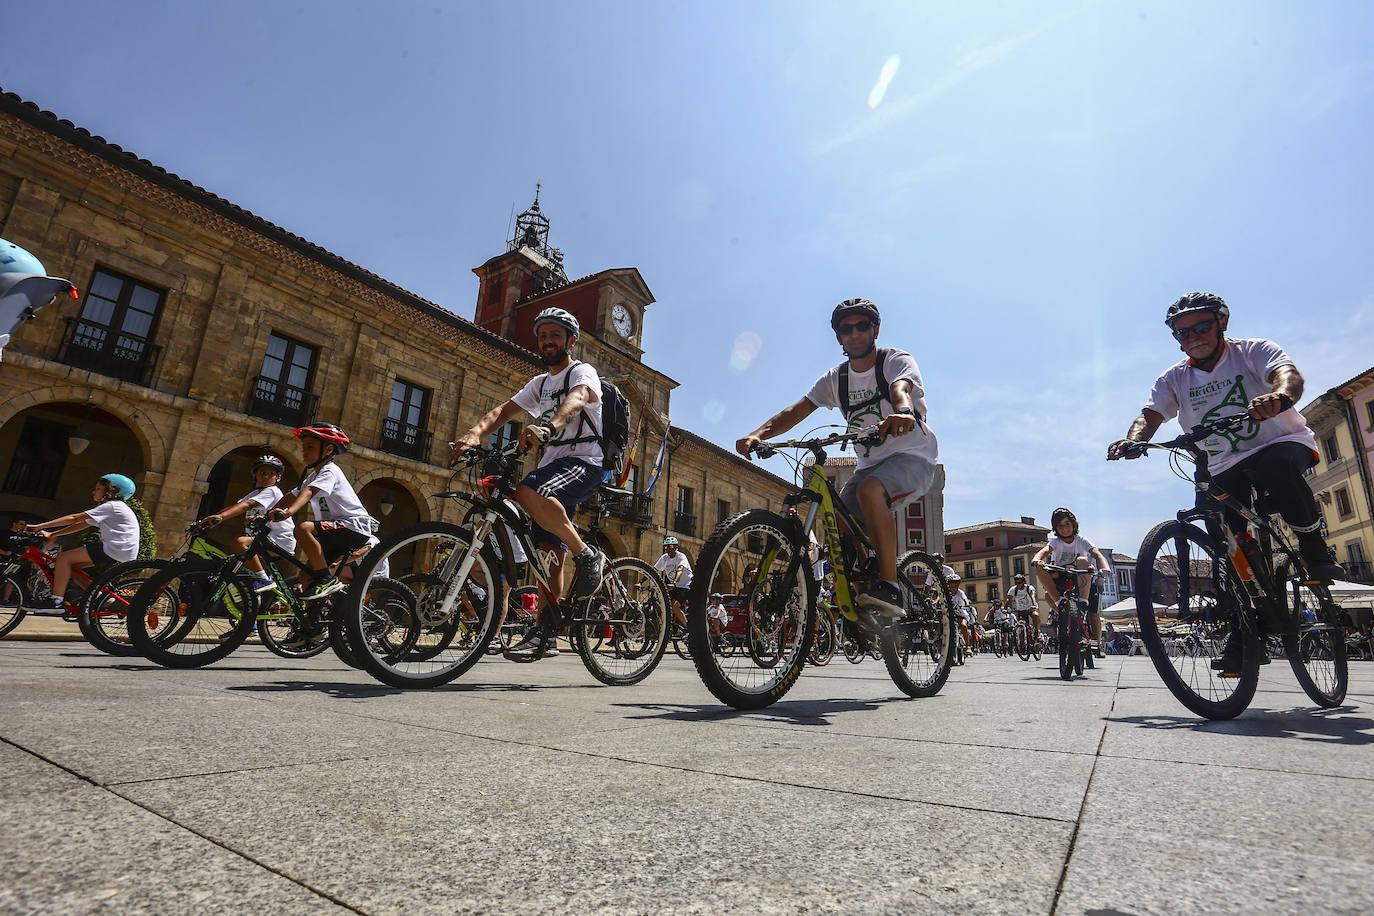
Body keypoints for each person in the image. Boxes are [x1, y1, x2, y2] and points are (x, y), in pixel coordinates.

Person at [1107, 291, 1343, 675]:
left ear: (1222, 324)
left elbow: (1288, 376)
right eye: (1183, 333)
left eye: (1202, 326)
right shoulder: (1174, 378)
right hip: (1221, 464)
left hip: (1279, 442)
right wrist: (1134, 439)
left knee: (1276, 469)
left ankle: (1316, 551)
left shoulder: (1252, 351)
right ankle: (1246, 633)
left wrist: (1279, 397)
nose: (1193, 336)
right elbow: (1150, 415)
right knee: (1227, 546)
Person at [736, 298, 939, 622]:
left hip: (913, 458)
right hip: (870, 466)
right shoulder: (836, 380)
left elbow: (901, 388)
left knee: (869, 491)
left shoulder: (894, 361)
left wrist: (902, 411)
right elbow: (797, 410)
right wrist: (758, 434)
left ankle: (889, 583)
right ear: (838, 337)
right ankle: (864, 601)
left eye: (862, 326)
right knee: (838, 520)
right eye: (847, 328)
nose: (855, 333)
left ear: (875, 330)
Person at [450, 306, 608, 661]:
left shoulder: (582, 372)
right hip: (554, 467)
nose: (547, 341)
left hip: (584, 460)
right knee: (547, 556)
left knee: (528, 490)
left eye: (555, 335)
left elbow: (578, 400)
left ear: (571, 340)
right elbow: (503, 412)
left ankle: (588, 555)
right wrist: (474, 434)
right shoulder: (539, 384)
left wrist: (550, 426)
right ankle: (547, 632)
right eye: (542, 336)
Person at [267, 424, 372, 602]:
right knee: (306, 577)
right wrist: (267, 514)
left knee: (303, 528)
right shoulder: (313, 475)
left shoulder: (330, 470)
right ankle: (312, 627)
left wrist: (287, 513)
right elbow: (292, 495)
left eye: (310, 447)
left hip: (353, 526)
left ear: (328, 449)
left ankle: (327, 579)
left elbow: (308, 492)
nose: (304, 451)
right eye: (303, 447)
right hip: (335, 532)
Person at [24, 474, 139, 612]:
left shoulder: (112, 506)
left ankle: (55, 602)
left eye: (98, 488)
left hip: (116, 547)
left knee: (63, 558)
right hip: (120, 549)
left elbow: (75, 518)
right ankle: (102, 598)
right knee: (71, 568)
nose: (93, 491)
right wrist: (53, 534)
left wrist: (39, 526)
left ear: (110, 491)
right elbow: (82, 524)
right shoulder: (114, 507)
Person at [196, 454, 295, 593]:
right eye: (262, 473)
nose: (266, 476)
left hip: (279, 539)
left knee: (239, 543)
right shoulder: (256, 493)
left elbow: (247, 505)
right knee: (234, 565)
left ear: (278, 477)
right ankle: (258, 599)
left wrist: (222, 518)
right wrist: (212, 518)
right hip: (264, 539)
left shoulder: (272, 491)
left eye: (271, 474)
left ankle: (264, 580)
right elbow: (236, 506)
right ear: (255, 475)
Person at [1033, 507, 1110, 658]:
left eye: (1067, 524)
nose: (1064, 528)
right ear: (1056, 528)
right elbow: (1044, 551)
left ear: (1074, 524)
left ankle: (1098, 643)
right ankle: (1063, 606)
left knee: (1094, 614)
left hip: (1084, 579)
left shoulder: (1082, 541)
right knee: (1046, 585)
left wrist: (1105, 568)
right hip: (1064, 578)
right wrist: (1037, 559)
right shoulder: (1056, 543)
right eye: (1060, 526)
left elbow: (1097, 554)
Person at [654, 535, 693, 629]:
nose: (668, 549)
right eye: (666, 547)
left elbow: (680, 570)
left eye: (670, 547)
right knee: (661, 604)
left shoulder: (681, 556)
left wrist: (675, 582)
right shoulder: (664, 558)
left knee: (674, 606)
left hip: (685, 586)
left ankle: (688, 628)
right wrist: (640, 581)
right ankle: (668, 626)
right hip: (674, 586)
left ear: (676, 547)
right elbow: (654, 570)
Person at [1008, 572, 1039, 642]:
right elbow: (1008, 599)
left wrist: (1034, 605)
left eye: (1019, 582)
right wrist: (1004, 608)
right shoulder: (1013, 589)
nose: (1018, 585)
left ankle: (1036, 631)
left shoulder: (1029, 588)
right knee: (1019, 626)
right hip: (1020, 610)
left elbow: (1033, 596)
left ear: (1024, 582)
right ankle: (1021, 642)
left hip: (1030, 609)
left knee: (1035, 615)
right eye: (1016, 583)